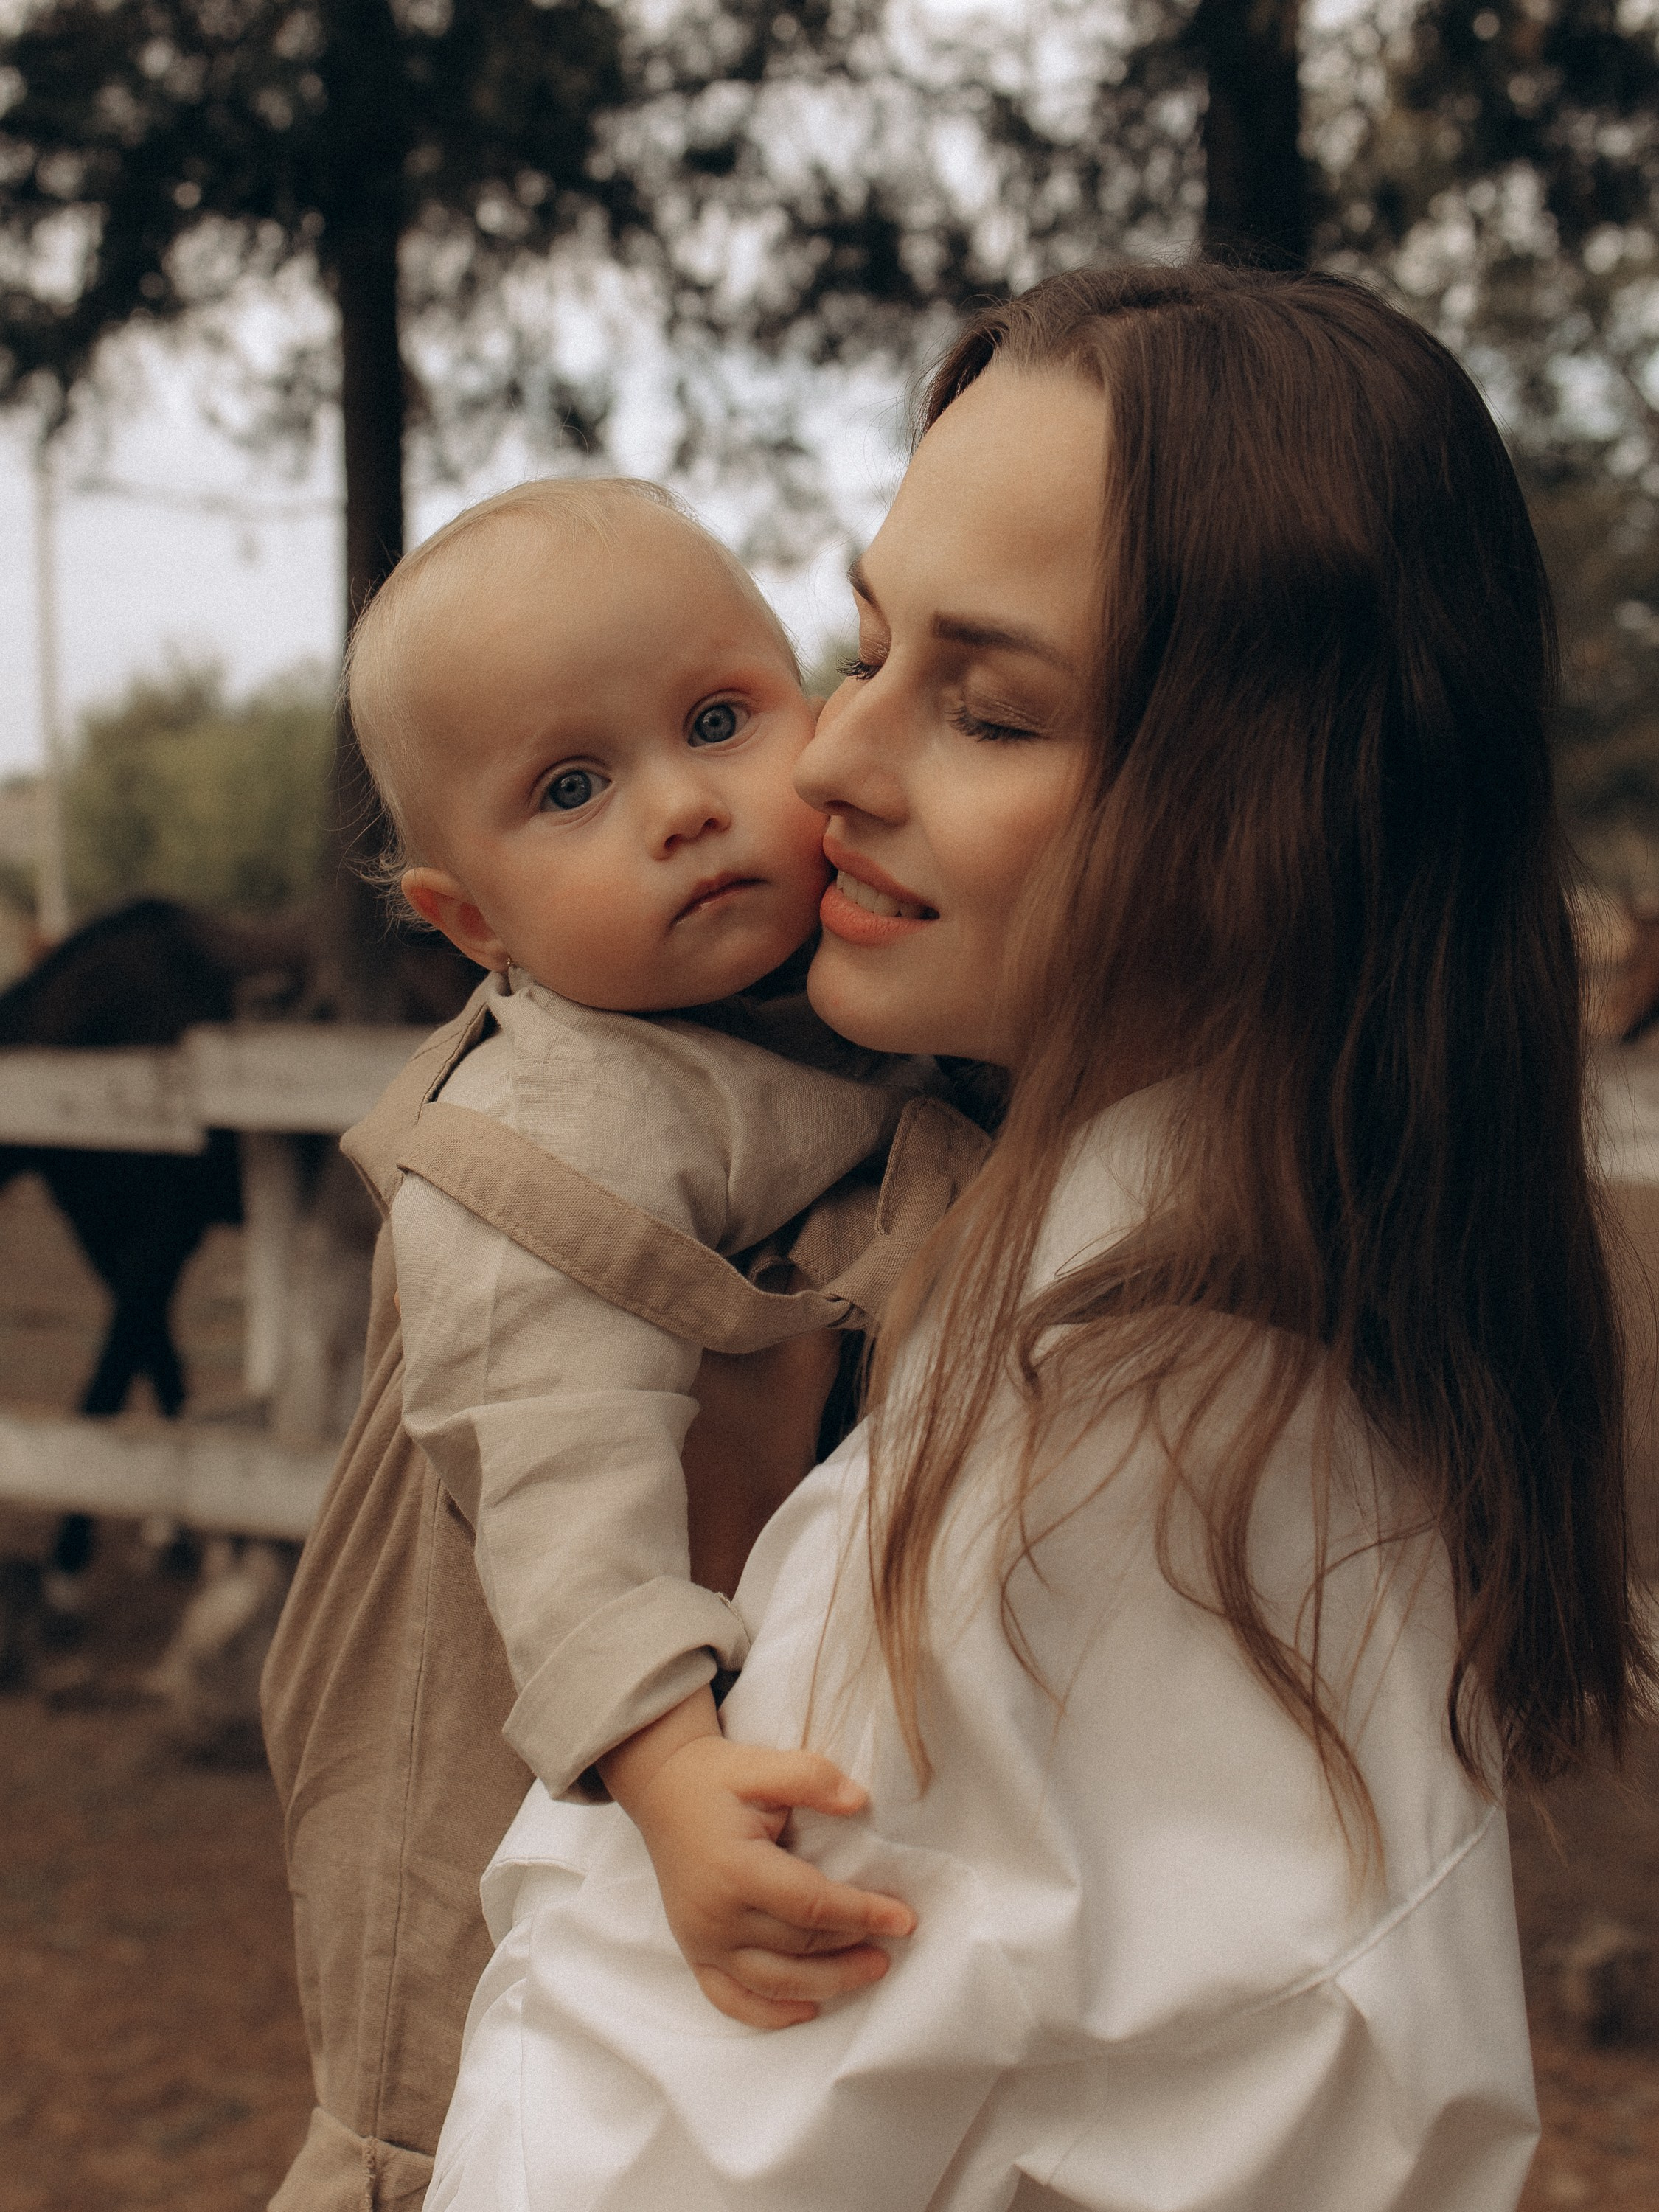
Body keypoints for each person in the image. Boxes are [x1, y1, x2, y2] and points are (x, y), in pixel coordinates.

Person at [427, 264, 1651, 2212]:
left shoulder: (1092, 1452)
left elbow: (628, 2144)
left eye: (987, 708)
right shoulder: (1324, 1311)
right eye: (868, 644)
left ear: (1278, 819)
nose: (828, 761)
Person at [261, 479, 987, 2209]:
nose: (684, 808)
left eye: (720, 721)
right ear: (474, 925)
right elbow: (559, 1477)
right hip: (496, 1693)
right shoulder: (549, 1127)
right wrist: (662, 1764)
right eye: (572, 789)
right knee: (438, 2066)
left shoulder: (834, 1011)